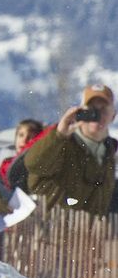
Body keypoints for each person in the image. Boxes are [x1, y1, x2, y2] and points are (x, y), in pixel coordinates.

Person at [22, 85, 117, 215]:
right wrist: (59, 134)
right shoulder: (61, 143)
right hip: (51, 229)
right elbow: (33, 164)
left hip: (90, 232)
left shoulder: (110, 153)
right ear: (80, 112)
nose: (97, 115)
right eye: (92, 109)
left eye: (103, 109)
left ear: (113, 116)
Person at [0, 118, 45, 191]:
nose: (24, 140)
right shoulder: (6, 163)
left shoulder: (40, 165)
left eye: (30, 137)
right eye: (21, 135)